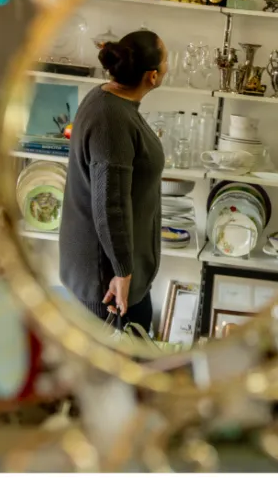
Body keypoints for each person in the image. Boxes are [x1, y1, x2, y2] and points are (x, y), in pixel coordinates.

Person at [59, 30, 167, 334]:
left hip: (113, 276)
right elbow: (110, 204)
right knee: (117, 372)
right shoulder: (112, 121)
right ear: (153, 77)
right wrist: (122, 272)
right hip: (108, 286)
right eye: (167, 60)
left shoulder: (109, 98)